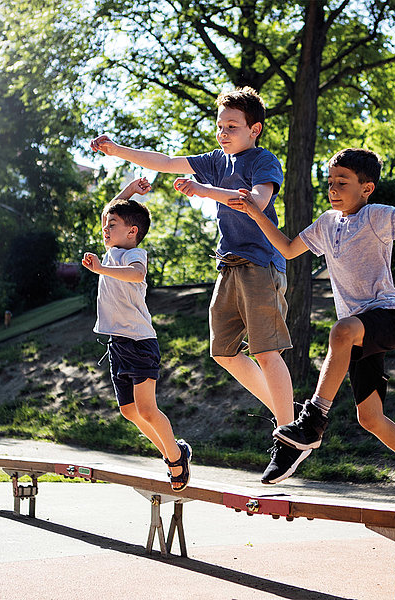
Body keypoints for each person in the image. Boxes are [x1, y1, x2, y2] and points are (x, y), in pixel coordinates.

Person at [227, 148, 395, 515]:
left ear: (366, 188)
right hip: (357, 333)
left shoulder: (375, 215)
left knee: (341, 330)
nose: (333, 189)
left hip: (385, 318)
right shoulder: (326, 223)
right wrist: (256, 213)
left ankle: (311, 422)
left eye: (342, 183)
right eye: (330, 182)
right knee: (370, 418)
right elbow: (287, 249)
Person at [90, 87, 305, 485]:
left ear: (254, 129)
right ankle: (290, 416)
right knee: (224, 352)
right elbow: (165, 161)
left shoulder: (263, 161)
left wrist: (206, 191)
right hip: (228, 266)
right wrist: (118, 150)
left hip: (261, 263)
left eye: (232, 127)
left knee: (264, 350)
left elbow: (256, 201)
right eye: (220, 126)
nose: (223, 133)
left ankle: (290, 435)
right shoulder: (214, 160)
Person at [81, 177, 192, 492]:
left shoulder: (134, 255)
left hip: (140, 342)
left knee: (146, 409)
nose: (105, 228)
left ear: (132, 232)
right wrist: (130, 190)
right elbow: (109, 210)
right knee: (129, 411)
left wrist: (100, 269)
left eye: (112, 225)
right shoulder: (112, 248)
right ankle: (174, 451)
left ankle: (176, 459)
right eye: (106, 225)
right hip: (118, 343)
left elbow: (136, 275)